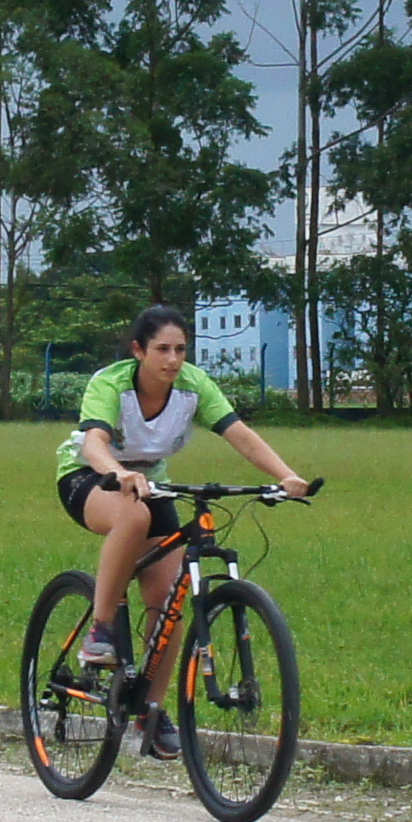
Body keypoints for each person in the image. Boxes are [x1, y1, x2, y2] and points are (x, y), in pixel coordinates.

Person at [57, 305, 312, 762]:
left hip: (150, 483)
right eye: (161, 350)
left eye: (179, 350)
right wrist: (118, 472)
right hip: (90, 477)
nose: (172, 360)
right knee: (133, 518)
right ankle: (101, 631)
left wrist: (288, 477)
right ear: (139, 351)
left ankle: (150, 711)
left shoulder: (193, 387)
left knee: (170, 602)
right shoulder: (112, 384)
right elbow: (93, 442)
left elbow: (241, 436)